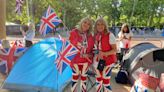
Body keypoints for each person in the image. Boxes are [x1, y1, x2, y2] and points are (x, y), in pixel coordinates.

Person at [69, 17, 94, 92]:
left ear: (90, 26)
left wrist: (88, 55)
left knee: (84, 79)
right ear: (81, 22)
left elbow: (93, 51)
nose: (86, 25)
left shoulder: (90, 36)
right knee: (75, 78)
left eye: (88, 24)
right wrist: (76, 43)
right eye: (85, 22)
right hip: (75, 60)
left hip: (85, 61)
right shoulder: (74, 32)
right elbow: (69, 45)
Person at [93, 17, 117, 92]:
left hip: (108, 62)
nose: (100, 26)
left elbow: (115, 50)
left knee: (106, 82)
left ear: (105, 25)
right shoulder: (96, 35)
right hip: (98, 62)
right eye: (98, 24)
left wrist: (104, 53)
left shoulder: (110, 35)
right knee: (98, 81)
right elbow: (97, 49)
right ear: (96, 26)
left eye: (102, 24)